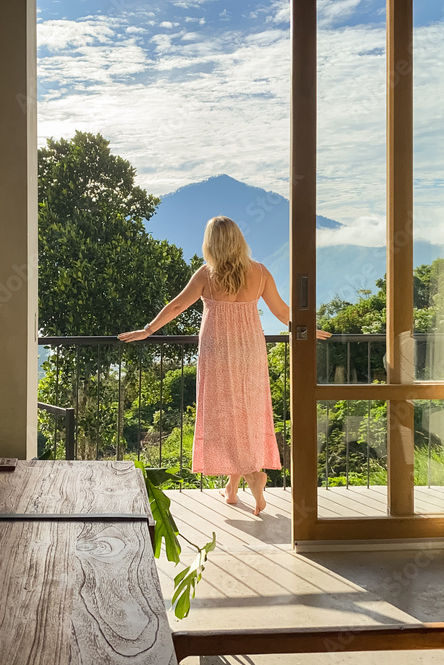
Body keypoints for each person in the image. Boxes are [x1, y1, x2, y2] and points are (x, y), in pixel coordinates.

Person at [119, 215, 330, 515]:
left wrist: (148, 330)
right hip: (251, 353)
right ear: (239, 240)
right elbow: (284, 312)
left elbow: (178, 305)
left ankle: (253, 476)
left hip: (217, 354)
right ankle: (234, 487)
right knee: (246, 414)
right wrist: (308, 327)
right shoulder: (260, 273)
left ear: (211, 244)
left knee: (225, 417)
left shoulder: (206, 275)